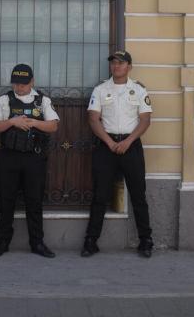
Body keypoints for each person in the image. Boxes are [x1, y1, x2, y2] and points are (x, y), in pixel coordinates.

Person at [81, 51, 154, 258]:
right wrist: (111, 143)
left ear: (129, 66)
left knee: (139, 195)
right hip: (107, 145)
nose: (116, 66)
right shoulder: (101, 89)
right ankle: (90, 241)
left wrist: (128, 142)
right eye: (113, 63)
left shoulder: (139, 90)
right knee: (100, 195)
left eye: (121, 63)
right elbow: (94, 119)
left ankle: (146, 241)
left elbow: (145, 120)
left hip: (131, 145)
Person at [0, 64, 60, 258]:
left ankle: (37, 243)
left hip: (33, 158)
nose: (19, 88)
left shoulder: (42, 100)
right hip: (9, 157)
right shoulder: (4, 100)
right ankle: (2, 242)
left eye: (23, 84)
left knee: (34, 202)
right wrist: (12, 122)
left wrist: (33, 122)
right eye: (16, 84)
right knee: (6, 201)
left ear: (32, 82)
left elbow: (53, 126)